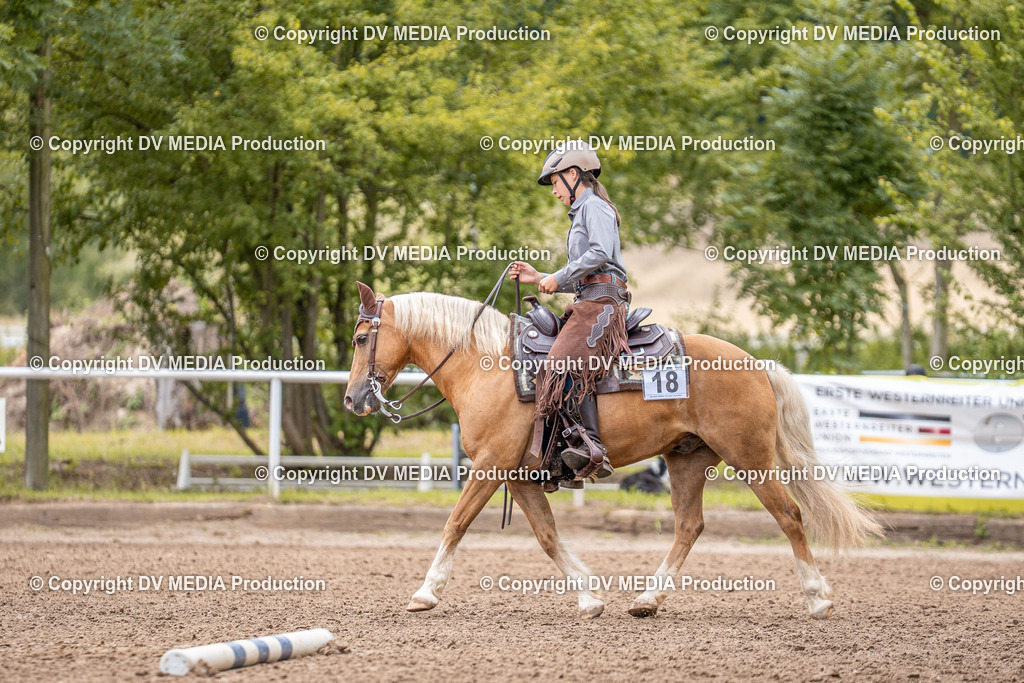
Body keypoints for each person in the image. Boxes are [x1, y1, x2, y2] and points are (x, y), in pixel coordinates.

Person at [510, 142, 629, 479]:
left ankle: (590, 446)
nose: (554, 191)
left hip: (602, 303)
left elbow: (600, 253)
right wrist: (539, 278)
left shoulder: (594, 207)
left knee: (561, 364)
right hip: (589, 297)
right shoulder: (584, 210)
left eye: (556, 182)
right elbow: (586, 271)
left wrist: (556, 276)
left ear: (574, 175)